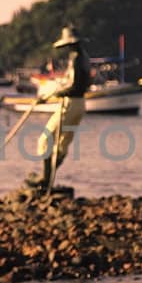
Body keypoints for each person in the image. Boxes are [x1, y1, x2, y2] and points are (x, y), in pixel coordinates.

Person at [29, 24, 91, 192]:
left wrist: (52, 96)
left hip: (70, 104)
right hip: (80, 105)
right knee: (62, 144)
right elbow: (82, 85)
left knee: (45, 140)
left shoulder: (77, 59)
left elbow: (75, 86)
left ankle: (45, 179)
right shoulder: (84, 57)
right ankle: (48, 182)